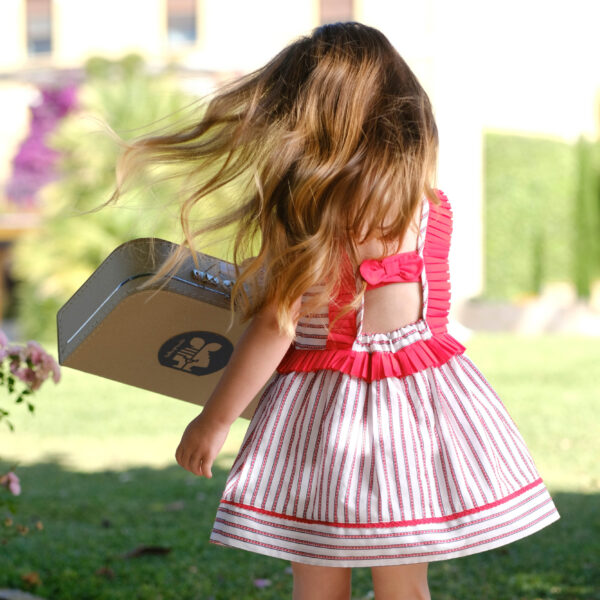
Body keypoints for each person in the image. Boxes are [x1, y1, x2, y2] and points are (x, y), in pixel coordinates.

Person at [106, 21, 560, 600]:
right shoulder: (430, 210)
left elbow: (276, 326)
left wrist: (214, 421)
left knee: (317, 573)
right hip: (415, 417)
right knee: (405, 582)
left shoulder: (307, 217)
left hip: (325, 417)